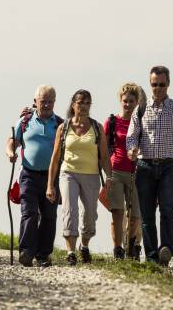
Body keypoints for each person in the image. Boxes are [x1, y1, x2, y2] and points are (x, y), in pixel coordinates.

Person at [126, 65, 173, 266]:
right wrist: (132, 149)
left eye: (162, 84)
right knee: (147, 215)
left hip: (169, 167)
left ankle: (167, 250)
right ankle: (153, 257)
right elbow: (131, 137)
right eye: (154, 85)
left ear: (168, 84)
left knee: (167, 210)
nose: (158, 88)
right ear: (150, 84)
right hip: (145, 166)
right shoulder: (141, 110)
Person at [46, 89, 111, 266]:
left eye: (87, 103)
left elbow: (104, 157)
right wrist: (50, 185)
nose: (83, 106)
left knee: (90, 214)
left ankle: (85, 245)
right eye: (80, 102)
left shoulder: (97, 128)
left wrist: (109, 178)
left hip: (91, 175)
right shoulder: (64, 127)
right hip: (68, 173)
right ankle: (70, 251)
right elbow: (55, 157)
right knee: (69, 210)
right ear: (73, 104)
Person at [6, 85, 62, 267]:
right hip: (28, 175)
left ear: (54, 102)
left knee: (49, 215)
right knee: (29, 212)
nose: (46, 104)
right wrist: (10, 152)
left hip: (51, 177)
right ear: (35, 101)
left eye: (50, 101)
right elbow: (12, 141)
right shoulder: (25, 121)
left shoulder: (60, 124)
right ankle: (26, 252)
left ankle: (43, 254)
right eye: (43, 100)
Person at [104, 83, 145, 260]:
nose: (128, 104)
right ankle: (117, 249)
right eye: (125, 101)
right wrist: (105, 172)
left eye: (131, 101)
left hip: (137, 172)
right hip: (116, 171)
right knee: (117, 213)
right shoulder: (112, 122)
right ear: (120, 101)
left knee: (136, 214)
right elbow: (104, 149)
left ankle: (133, 245)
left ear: (137, 102)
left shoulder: (142, 122)